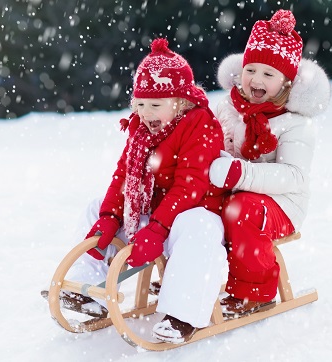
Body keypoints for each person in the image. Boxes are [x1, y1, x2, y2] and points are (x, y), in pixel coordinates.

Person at [59, 38, 228, 344]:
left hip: (194, 213)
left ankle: (182, 315)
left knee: (198, 227)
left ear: (179, 101)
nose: (146, 112)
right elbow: (124, 175)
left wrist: (160, 228)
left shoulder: (200, 125)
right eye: (140, 103)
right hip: (156, 217)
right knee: (95, 207)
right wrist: (110, 216)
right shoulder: (141, 130)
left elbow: (191, 185)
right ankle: (86, 290)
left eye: (155, 104)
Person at [208, 10, 330, 316]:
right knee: (193, 205)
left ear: (286, 82)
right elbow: (215, 146)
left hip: (282, 204)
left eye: (268, 74)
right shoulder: (229, 107)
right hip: (235, 191)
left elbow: (292, 177)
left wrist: (239, 172)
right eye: (251, 69)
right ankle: (190, 272)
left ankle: (254, 292)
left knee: (242, 211)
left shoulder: (295, 124)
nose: (256, 80)